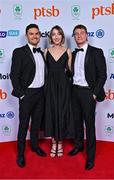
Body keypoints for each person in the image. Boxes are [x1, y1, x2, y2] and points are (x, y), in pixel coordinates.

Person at [68, 24, 107, 170]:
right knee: (77, 122)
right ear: (74, 36)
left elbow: (102, 75)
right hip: (74, 92)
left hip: (88, 93)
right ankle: (78, 146)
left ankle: (90, 157)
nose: (79, 36)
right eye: (76, 34)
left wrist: (95, 93)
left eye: (82, 33)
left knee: (89, 126)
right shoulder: (72, 53)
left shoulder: (96, 52)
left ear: (86, 35)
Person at [10, 24, 47, 168]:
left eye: (37, 33)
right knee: (24, 125)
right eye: (31, 34)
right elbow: (14, 75)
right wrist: (22, 95)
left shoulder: (42, 52)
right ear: (27, 36)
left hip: (40, 93)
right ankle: (20, 154)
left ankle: (35, 146)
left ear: (39, 35)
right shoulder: (19, 52)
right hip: (27, 95)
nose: (34, 36)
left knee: (36, 124)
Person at [44, 25, 74, 157]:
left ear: (62, 36)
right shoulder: (45, 51)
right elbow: (44, 71)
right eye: (53, 34)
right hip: (50, 86)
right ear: (51, 37)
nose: (56, 36)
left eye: (59, 34)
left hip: (63, 87)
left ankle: (60, 143)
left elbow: (70, 72)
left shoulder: (68, 51)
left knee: (61, 111)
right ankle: (53, 143)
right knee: (51, 112)